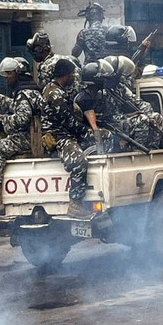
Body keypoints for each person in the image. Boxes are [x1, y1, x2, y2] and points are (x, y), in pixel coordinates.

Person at [42, 58, 112, 219]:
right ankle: (75, 203)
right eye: (72, 74)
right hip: (58, 136)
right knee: (79, 161)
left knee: (103, 135)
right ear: (65, 75)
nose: (74, 77)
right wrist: (90, 132)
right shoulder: (55, 94)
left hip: (64, 133)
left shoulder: (55, 89)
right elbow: (69, 123)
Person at [0, 57, 43, 214]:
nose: (7, 78)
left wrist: (0, 118)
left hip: (28, 138)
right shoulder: (31, 91)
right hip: (33, 136)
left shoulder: (24, 94)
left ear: (19, 73)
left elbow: (21, 120)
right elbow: (17, 107)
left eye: (10, 74)